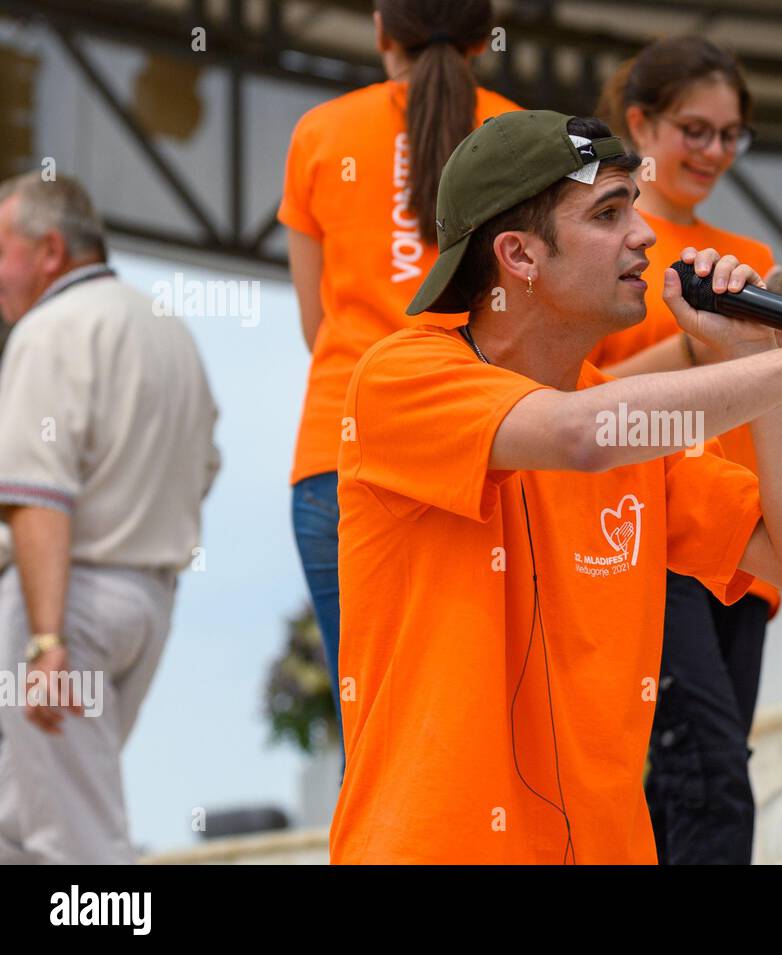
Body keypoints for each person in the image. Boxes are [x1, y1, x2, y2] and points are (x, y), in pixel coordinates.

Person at [328, 109, 782, 863]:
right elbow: (578, 435)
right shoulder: (400, 376)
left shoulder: (633, 431)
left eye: (634, 205)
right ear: (518, 256)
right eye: (608, 212)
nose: (647, 233)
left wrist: (753, 355)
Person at [278, 0, 518, 748]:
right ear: (484, 37)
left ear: (382, 32)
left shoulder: (320, 134)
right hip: (481, 450)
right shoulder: (518, 135)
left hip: (340, 451)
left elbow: (316, 327)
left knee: (375, 737)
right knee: (478, 731)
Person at [591, 35, 782, 865]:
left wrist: (775, 337)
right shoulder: (604, 242)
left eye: (730, 134)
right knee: (708, 775)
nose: (715, 151)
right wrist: (702, 343)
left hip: (739, 546)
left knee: (690, 780)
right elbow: (581, 395)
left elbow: (765, 399)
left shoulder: (744, 256)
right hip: (642, 539)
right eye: (696, 129)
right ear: (641, 123)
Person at [0, 172, 220, 863]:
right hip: (148, 603)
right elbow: (205, 465)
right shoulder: (169, 331)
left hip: (67, 607)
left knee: (76, 842)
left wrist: (44, 640)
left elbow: (36, 493)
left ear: (49, 251)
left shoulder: (48, 330)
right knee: (25, 814)